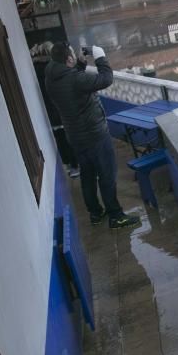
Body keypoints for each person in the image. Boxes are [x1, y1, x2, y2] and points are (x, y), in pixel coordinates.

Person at [44, 42, 141, 229]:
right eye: (73, 54)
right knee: (107, 175)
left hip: (76, 136)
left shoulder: (51, 77)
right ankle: (116, 215)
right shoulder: (75, 80)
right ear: (68, 59)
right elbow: (106, 79)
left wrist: (80, 63)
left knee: (87, 176)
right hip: (95, 135)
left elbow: (74, 81)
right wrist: (100, 57)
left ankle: (95, 213)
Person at [30, 42, 80, 178]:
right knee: (70, 138)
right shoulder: (55, 69)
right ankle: (76, 164)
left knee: (60, 139)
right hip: (62, 109)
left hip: (48, 112)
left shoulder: (34, 69)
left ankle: (70, 165)